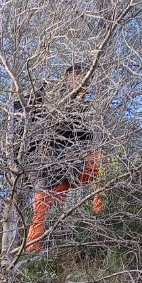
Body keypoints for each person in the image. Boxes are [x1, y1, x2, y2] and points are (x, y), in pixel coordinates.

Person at [24, 64, 102, 254]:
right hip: (47, 164)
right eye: (82, 79)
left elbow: (83, 138)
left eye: (87, 81)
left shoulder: (82, 106)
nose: (85, 85)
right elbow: (57, 126)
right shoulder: (55, 96)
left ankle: (99, 220)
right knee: (41, 213)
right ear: (69, 78)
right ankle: (32, 254)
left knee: (101, 168)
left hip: (65, 165)